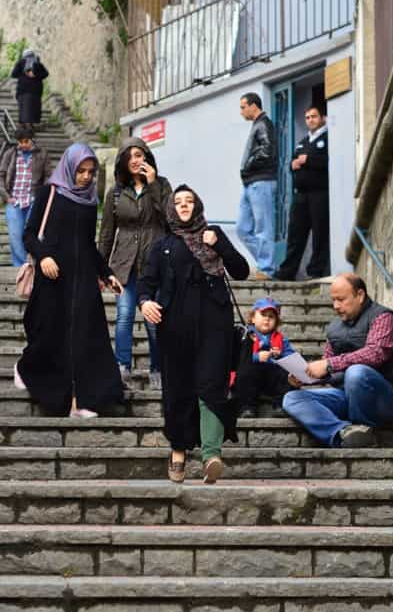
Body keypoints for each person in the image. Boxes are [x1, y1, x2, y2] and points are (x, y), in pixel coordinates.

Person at [138, 185, 250, 484]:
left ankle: (211, 454)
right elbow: (146, 282)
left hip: (215, 323)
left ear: (197, 205)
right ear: (171, 209)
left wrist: (220, 246)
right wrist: (145, 301)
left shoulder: (212, 234)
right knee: (177, 388)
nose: (184, 205)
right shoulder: (163, 245)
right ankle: (178, 451)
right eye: (178, 202)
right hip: (175, 327)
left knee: (211, 385)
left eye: (189, 201)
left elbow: (241, 271)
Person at [14, 143, 126, 418]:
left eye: (90, 171)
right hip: (53, 281)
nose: (86, 177)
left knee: (88, 339)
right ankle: (34, 376)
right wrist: (43, 257)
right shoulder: (49, 193)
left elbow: (87, 245)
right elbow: (28, 234)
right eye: (81, 171)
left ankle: (84, 401)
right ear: (69, 168)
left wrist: (107, 274)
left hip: (83, 282)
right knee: (51, 336)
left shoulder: (90, 202)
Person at [282, 273, 393, 447]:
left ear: (360, 295)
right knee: (292, 398)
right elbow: (329, 370)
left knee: (356, 372)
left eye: (341, 299)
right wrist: (306, 377)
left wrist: (328, 364)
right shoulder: (334, 328)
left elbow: (375, 354)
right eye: (333, 300)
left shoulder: (384, 318)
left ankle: (363, 427)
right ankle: (344, 433)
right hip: (347, 396)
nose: (336, 306)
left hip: (386, 399)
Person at [97, 137, 172, 389]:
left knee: (153, 320)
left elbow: (169, 220)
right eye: (129, 156)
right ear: (122, 161)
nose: (134, 160)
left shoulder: (161, 185)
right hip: (123, 264)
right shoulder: (115, 193)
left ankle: (158, 368)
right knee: (124, 315)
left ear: (147, 156)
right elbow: (106, 233)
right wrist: (101, 269)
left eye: (138, 154)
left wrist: (151, 185)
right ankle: (122, 367)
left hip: (155, 263)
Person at [275, 105, 330, 280]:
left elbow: (330, 161)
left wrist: (309, 159)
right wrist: (293, 165)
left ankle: (315, 271)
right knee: (295, 234)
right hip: (301, 194)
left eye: (313, 116)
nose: (310, 120)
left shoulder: (328, 138)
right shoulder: (303, 141)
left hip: (319, 193)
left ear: (322, 118)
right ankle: (287, 272)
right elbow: (293, 161)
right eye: (307, 117)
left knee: (320, 234)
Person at [236, 92, 278, 280]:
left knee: (263, 228)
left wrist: (249, 163)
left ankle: (267, 269)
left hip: (261, 181)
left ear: (254, 106)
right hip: (251, 183)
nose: (241, 112)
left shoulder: (263, 123)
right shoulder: (258, 125)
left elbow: (267, 150)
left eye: (243, 107)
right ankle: (265, 263)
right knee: (242, 229)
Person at [0, 127, 51, 267]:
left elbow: (48, 176)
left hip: (33, 201)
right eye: (20, 142)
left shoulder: (42, 154)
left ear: (32, 140)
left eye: (25, 141)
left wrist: (42, 196)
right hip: (14, 200)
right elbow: (1, 175)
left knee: (32, 235)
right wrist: (6, 196)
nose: (22, 145)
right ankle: (22, 265)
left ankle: (31, 264)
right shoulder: (10, 153)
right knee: (15, 235)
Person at [233, 297, 294, 418]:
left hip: (271, 378)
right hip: (251, 377)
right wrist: (256, 357)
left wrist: (280, 356)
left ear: (276, 322)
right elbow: (237, 359)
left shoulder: (281, 339)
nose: (267, 318)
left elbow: (291, 357)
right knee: (245, 373)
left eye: (271, 316)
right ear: (253, 318)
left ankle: (280, 404)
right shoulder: (246, 335)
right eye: (263, 314)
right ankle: (247, 406)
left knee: (286, 373)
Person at [10, 49, 49, 130]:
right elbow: (45, 74)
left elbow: (14, 74)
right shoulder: (37, 63)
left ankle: (26, 124)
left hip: (25, 89)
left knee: (25, 107)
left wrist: (32, 74)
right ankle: (29, 124)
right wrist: (36, 75)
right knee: (31, 107)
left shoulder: (21, 63)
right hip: (34, 90)